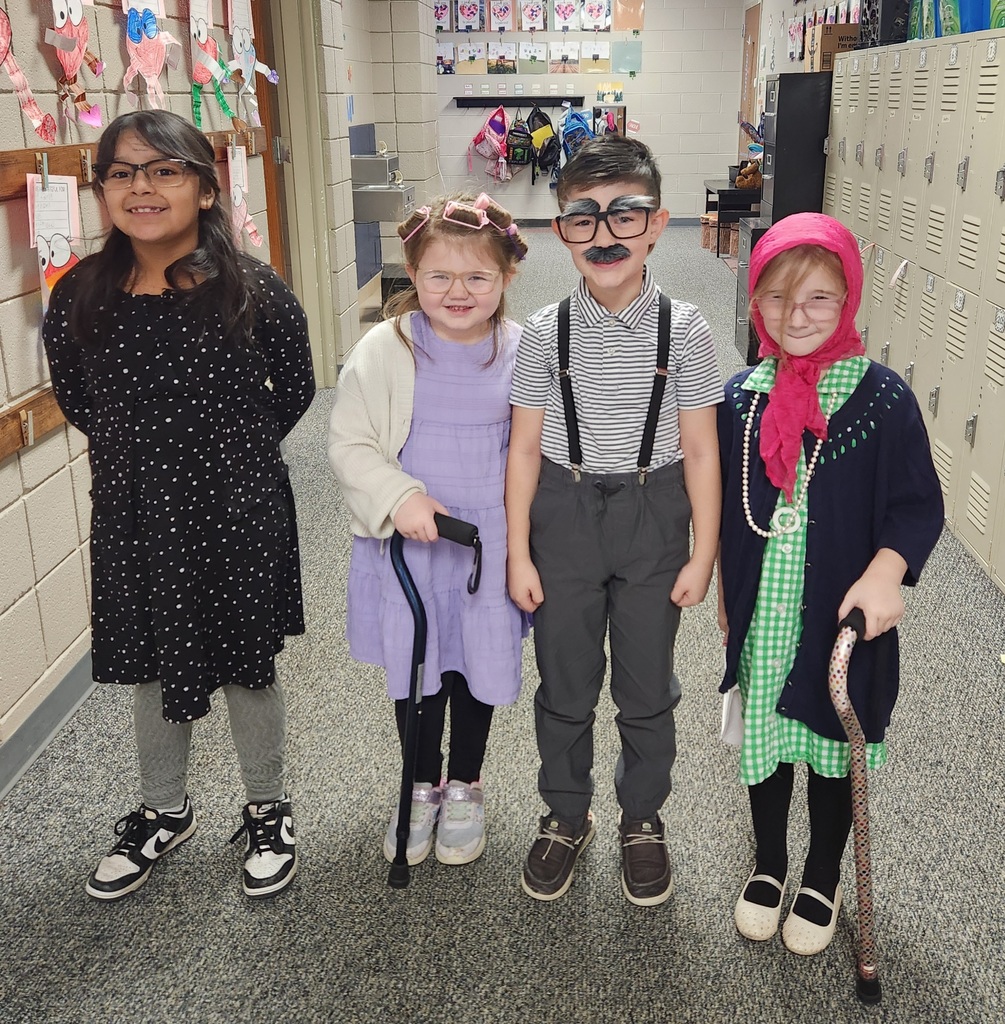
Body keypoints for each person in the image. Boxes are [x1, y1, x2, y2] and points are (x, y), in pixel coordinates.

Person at [43, 109, 315, 901]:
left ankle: (268, 805)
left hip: (235, 506)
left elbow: (293, 387)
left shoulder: (250, 286)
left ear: (203, 187)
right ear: (102, 192)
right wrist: (152, 462)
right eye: (122, 173)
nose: (143, 188)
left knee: (244, 662)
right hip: (136, 510)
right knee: (154, 662)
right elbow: (80, 400)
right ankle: (164, 809)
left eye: (164, 170)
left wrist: (230, 454)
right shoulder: (79, 297)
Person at [717, 212, 943, 954]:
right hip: (766, 617)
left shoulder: (880, 400)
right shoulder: (740, 397)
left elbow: (915, 503)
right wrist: (724, 590)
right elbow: (722, 506)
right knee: (766, 740)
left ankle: (819, 872)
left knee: (829, 743)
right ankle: (770, 861)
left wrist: (886, 571)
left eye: (818, 298)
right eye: (777, 299)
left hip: (841, 623)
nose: (796, 316)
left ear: (846, 299)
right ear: (755, 302)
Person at [506, 135, 723, 905]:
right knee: (564, 681)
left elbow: (700, 450)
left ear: (657, 224)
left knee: (644, 688)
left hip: (652, 512)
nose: (604, 234)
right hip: (560, 517)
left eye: (624, 215)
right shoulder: (541, 333)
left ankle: (641, 818)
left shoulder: (687, 329)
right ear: (559, 231)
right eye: (582, 217)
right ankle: (567, 814)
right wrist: (518, 554)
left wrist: (701, 555)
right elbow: (524, 449)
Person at [328, 193, 529, 868]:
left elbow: (537, 450)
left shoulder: (520, 350)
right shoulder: (385, 349)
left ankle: (465, 785)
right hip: (408, 546)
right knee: (418, 669)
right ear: (412, 274)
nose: (457, 291)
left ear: (506, 278)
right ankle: (418, 786)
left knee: (477, 668)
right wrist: (400, 496)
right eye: (439, 275)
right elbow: (350, 444)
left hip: (487, 544)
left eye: (478, 277)